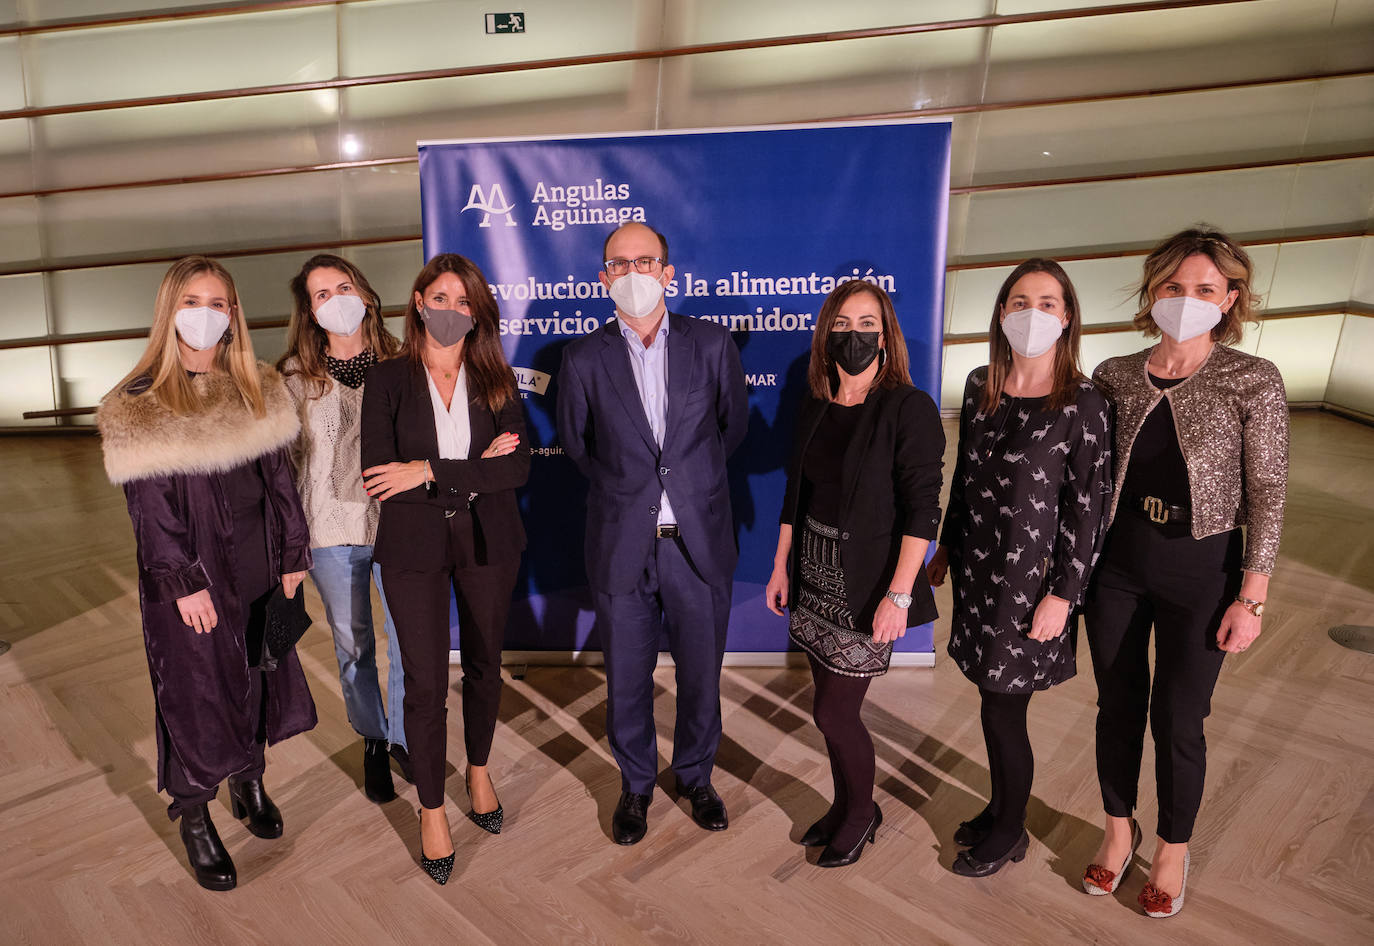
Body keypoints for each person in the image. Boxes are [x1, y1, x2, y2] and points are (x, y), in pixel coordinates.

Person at [1082, 226, 1288, 917]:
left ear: (1230, 298)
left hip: (1203, 569)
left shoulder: (1251, 378)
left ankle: (1173, 847)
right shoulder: (1114, 374)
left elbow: (1268, 491)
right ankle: (1118, 831)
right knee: (1117, 704)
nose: (1186, 298)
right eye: (1173, 285)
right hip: (1118, 563)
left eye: (1205, 288)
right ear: (1151, 291)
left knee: (1179, 717)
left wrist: (1252, 597)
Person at [97, 256, 316, 892]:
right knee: (195, 692)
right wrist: (182, 581)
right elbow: (152, 514)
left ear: (233, 314)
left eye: (218, 303)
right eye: (192, 302)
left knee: (258, 673)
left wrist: (293, 556)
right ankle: (194, 812)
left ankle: (249, 780)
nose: (206, 314)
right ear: (170, 312)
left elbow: (281, 483)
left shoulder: (257, 384)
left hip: (260, 562)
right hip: (193, 577)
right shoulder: (137, 403)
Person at [556, 222, 748, 845]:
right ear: (603, 277)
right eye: (620, 263)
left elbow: (732, 429)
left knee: (702, 676)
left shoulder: (711, 343)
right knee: (627, 679)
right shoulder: (583, 357)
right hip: (621, 544)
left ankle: (696, 776)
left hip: (698, 544)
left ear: (668, 272)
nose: (633, 273)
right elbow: (578, 445)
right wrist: (629, 491)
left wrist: (686, 487)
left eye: (646, 261)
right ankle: (636, 784)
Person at [927, 259, 1111, 877]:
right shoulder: (981, 383)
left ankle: (1010, 830)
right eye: (1020, 301)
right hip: (979, 571)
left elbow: (1088, 508)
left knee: (1005, 706)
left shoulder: (1084, 402)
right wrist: (947, 546)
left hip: (1032, 585)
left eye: (1048, 302)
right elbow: (965, 474)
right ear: (1001, 312)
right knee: (990, 696)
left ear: (1068, 316)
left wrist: (1065, 594)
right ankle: (1000, 807)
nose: (1033, 313)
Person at [360, 253, 530, 885]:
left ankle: (478, 771)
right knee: (425, 683)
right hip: (413, 549)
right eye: (441, 298)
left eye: (464, 302)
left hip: (491, 541)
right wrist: (474, 471)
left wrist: (428, 470)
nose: (452, 311)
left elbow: (516, 468)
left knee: (485, 664)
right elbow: (381, 475)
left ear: (477, 312)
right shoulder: (387, 379)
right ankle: (431, 809)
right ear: (418, 302)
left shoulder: (496, 377)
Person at [764, 279, 944, 868]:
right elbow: (796, 492)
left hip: (868, 586)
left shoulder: (907, 407)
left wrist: (900, 594)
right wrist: (780, 565)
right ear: (826, 334)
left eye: (867, 324)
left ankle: (862, 813)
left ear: (886, 335)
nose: (854, 335)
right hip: (813, 577)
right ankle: (845, 805)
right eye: (842, 324)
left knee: (833, 713)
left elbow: (923, 509)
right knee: (828, 708)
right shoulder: (816, 403)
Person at [278, 253, 407, 804]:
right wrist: (287, 547)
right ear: (310, 312)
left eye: (344, 287)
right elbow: (283, 469)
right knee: (355, 647)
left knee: (408, 641)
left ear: (366, 295)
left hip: (400, 527)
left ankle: (406, 739)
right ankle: (373, 739)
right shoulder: (292, 379)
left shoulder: (405, 363)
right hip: (329, 531)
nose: (336, 300)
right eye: (322, 294)